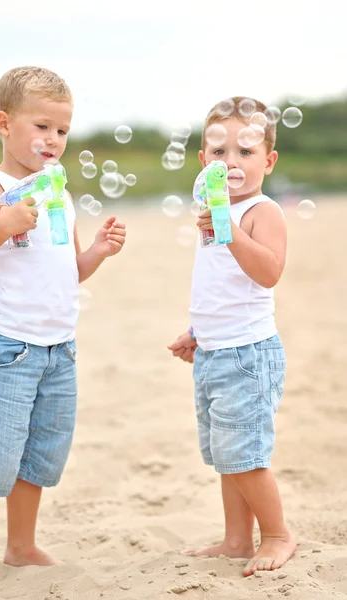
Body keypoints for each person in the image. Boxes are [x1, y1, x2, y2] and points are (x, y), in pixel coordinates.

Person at [0, 66, 126, 592]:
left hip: (59, 349)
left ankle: (20, 546)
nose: (54, 140)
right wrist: (1, 225)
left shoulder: (59, 193)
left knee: (40, 453)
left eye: (62, 131)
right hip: (9, 349)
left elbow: (70, 271)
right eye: (42, 127)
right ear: (4, 123)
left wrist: (97, 254)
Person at [168, 96, 296, 576]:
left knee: (246, 456)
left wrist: (228, 228)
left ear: (269, 159)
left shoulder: (262, 212)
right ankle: (237, 538)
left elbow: (267, 273)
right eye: (219, 153)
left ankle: (278, 534)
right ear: (204, 162)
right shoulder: (213, 212)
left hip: (249, 354)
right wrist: (199, 332)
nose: (232, 163)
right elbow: (221, 287)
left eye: (246, 151)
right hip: (216, 349)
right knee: (228, 453)